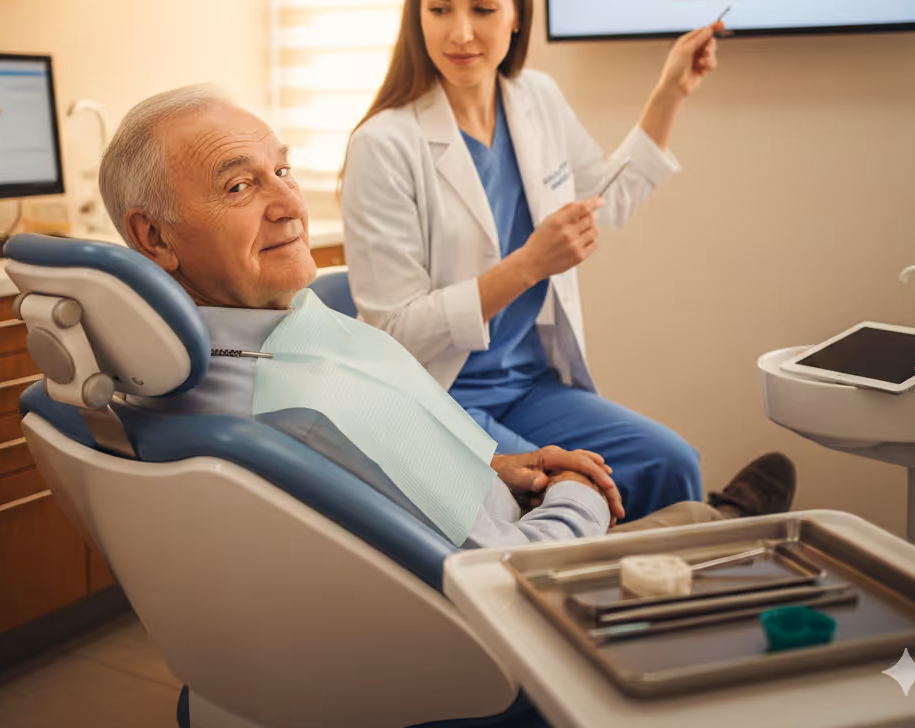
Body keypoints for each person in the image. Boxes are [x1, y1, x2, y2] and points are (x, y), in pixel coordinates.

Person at [99, 87, 795, 550]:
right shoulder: (299, 411)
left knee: (673, 471)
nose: (291, 205)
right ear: (154, 237)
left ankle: (721, 520)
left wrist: (503, 465)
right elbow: (514, 578)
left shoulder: (278, 328)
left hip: (500, 480)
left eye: (282, 171)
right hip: (516, 607)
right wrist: (576, 497)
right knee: (702, 539)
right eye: (240, 185)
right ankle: (725, 526)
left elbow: (405, 422)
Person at [341, 0, 723, 524]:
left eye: (483, 9)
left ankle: (688, 564)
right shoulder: (383, 145)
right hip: (442, 396)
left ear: (517, 11)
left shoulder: (535, 99)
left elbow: (603, 199)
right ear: (417, 15)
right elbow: (392, 332)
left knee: (671, 464)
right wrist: (529, 265)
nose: (461, 32)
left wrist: (669, 92)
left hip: (533, 386)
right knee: (577, 490)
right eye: (439, 9)